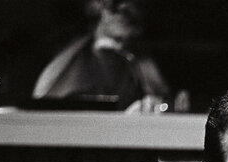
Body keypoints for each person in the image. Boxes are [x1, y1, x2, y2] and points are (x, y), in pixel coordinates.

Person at [32, 0, 170, 112]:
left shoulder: (144, 63)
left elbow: (162, 100)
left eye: (135, 5)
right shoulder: (74, 59)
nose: (124, 9)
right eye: (114, 6)